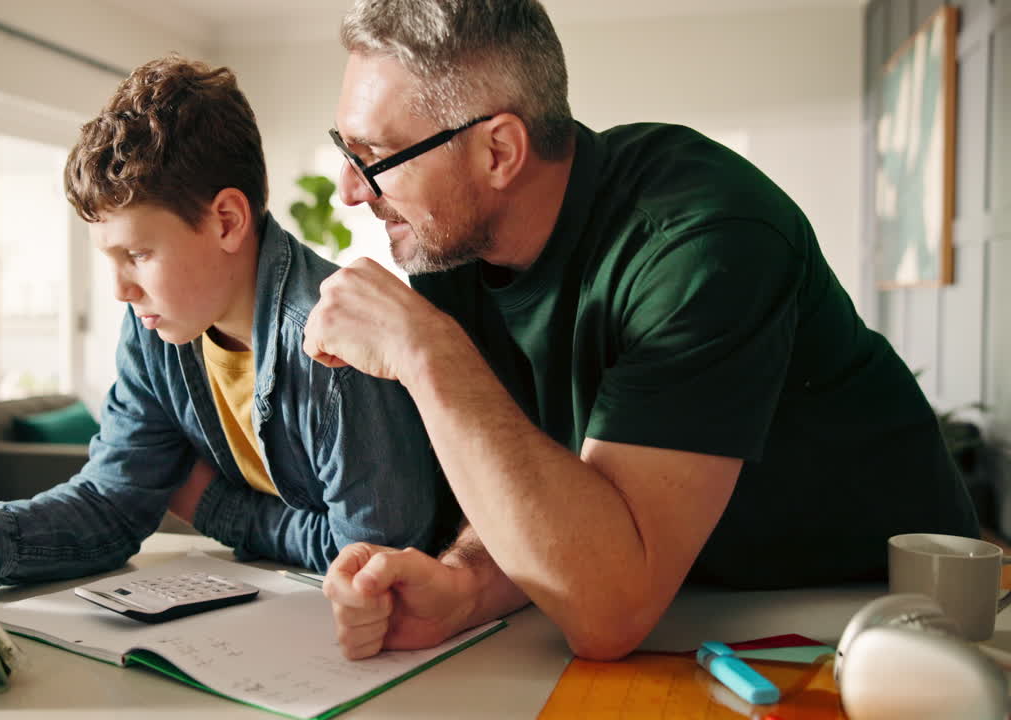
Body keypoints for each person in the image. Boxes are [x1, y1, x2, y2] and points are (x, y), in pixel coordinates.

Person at [303, 0, 981, 661]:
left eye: (375, 155)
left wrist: (427, 353)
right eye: (345, 148)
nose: (350, 189)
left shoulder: (702, 241)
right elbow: (538, 475)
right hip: (694, 604)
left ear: (498, 152)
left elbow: (608, 614)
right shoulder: (454, 252)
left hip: (887, 613)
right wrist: (465, 584)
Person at [0, 55, 450, 586]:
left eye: (138, 254)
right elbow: (112, 500)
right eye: (111, 259)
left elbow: (373, 561)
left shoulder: (342, 346)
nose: (120, 290)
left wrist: (213, 506)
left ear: (226, 221)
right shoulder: (155, 328)